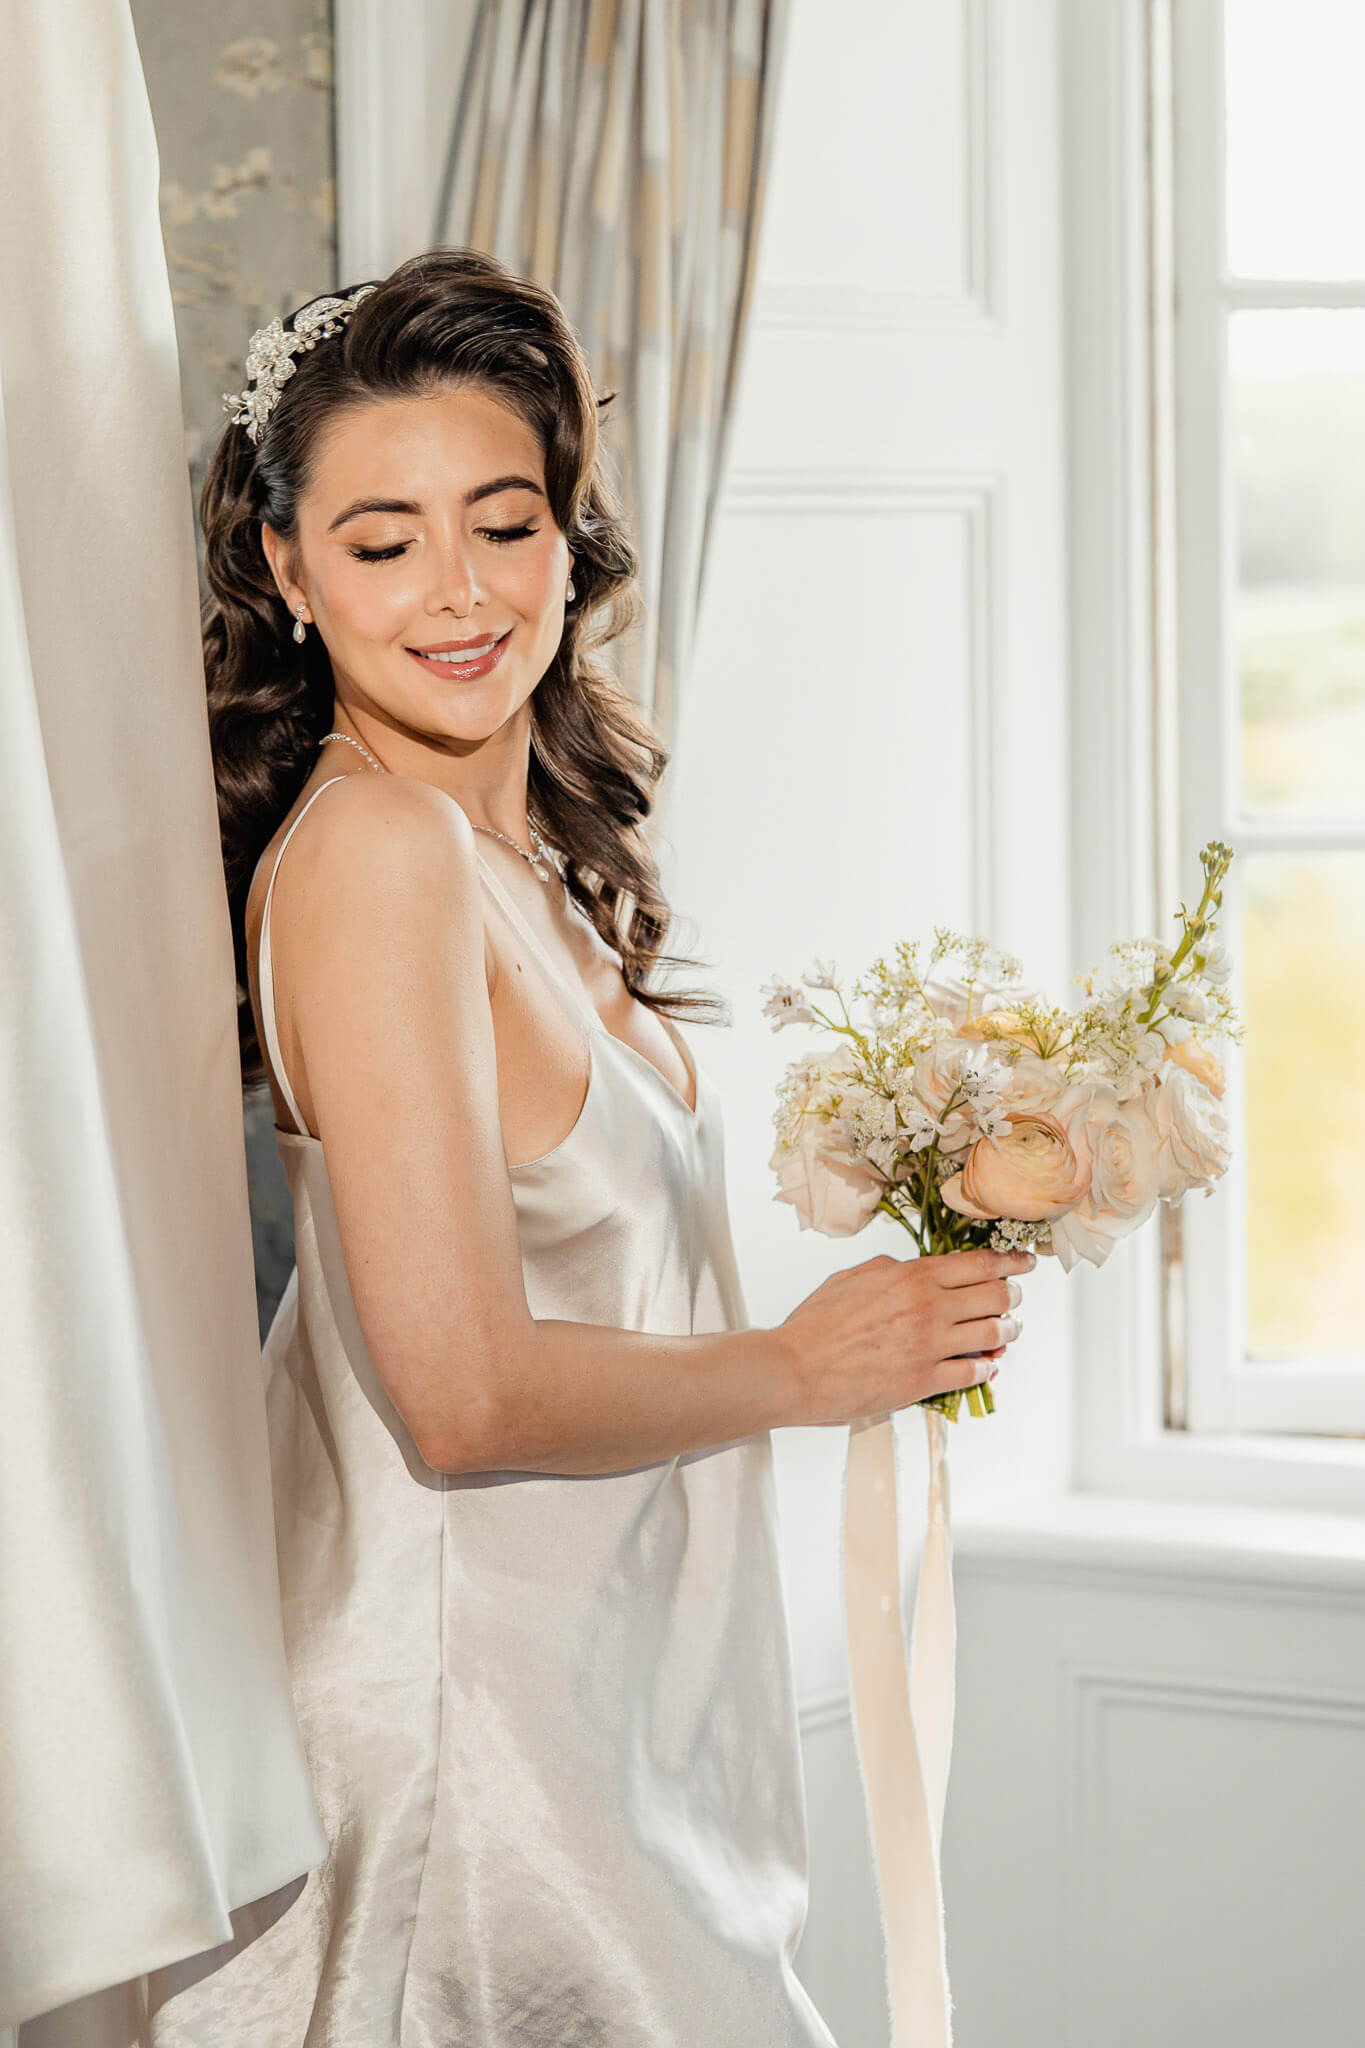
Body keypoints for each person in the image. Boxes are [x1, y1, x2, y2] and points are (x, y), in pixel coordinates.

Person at [141, 246, 1031, 2046]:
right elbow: (461, 1395)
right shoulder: (378, 862)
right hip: (469, 1758)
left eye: (505, 522)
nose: (457, 594)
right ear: (287, 571)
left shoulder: (523, 857)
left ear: (569, 535)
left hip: (609, 1715)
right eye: (383, 544)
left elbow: (573, 1276)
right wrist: (797, 1365)